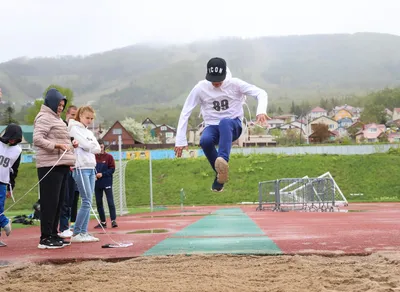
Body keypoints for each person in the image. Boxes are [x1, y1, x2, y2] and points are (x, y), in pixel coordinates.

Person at [174, 57, 269, 192]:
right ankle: (220, 174)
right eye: (213, 81)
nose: (216, 84)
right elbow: (186, 111)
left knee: (225, 122)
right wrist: (180, 140)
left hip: (233, 125)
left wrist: (261, 111)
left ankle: (223, 159)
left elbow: (261, 93)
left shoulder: (235, 83)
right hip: (212, 126)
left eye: (219, 81)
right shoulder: (200, 88)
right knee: (205, 141)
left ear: (225, 75)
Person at [33, 88, 77, 249]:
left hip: (62, 164)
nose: (60, 107)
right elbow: (38, 139)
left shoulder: (57, 119)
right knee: (50, 202)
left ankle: (53, 233)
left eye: (62, 105)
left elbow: (60, 138)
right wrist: (56, 145)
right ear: (50, 102)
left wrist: (71, 144)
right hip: (49, 165)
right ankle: (45, 238)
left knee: (59, 202)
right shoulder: (44, 117)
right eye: (58, 104)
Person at [68, 106, 101, 243]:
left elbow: (97, 148)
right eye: (87, 117)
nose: (89, 120)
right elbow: (87, 145)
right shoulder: (74, 128)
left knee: (89, 200)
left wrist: (90, 146)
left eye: (92, 118)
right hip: (80, 167)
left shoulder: (88, 132)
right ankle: (77, 232)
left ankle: (83, 231)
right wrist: (90, 146)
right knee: (86, 200)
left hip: (91, 167)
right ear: (80, 115)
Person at [0, 124, 22, 247]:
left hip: (3, 182)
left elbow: (14, 170)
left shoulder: (17, 151)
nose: (13, 140)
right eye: (11, 137)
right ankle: (4, 221)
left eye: (16, 139)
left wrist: (10, 188)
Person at [58, 105, 79, 238]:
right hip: (62, 167)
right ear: (67, 114)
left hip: (74, 168)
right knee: (64, 199)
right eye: (72, 115)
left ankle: (69, 225)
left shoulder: (77, 131)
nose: (73, 118)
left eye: (75, 116)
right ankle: (63, 226)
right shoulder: (62, 127)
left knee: (72, 199)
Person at [94, 139, 118, 229]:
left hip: (107, 182)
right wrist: (94, 175)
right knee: (99, 203)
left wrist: (102, 174)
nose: (100, 148)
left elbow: (112, 169)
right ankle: (103, 222)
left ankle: (113, 220)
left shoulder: (109, 157)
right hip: (97, 183)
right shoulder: (93, 157)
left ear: (103, 146)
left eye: (101, 146)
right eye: (98, 146)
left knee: (110, 202)